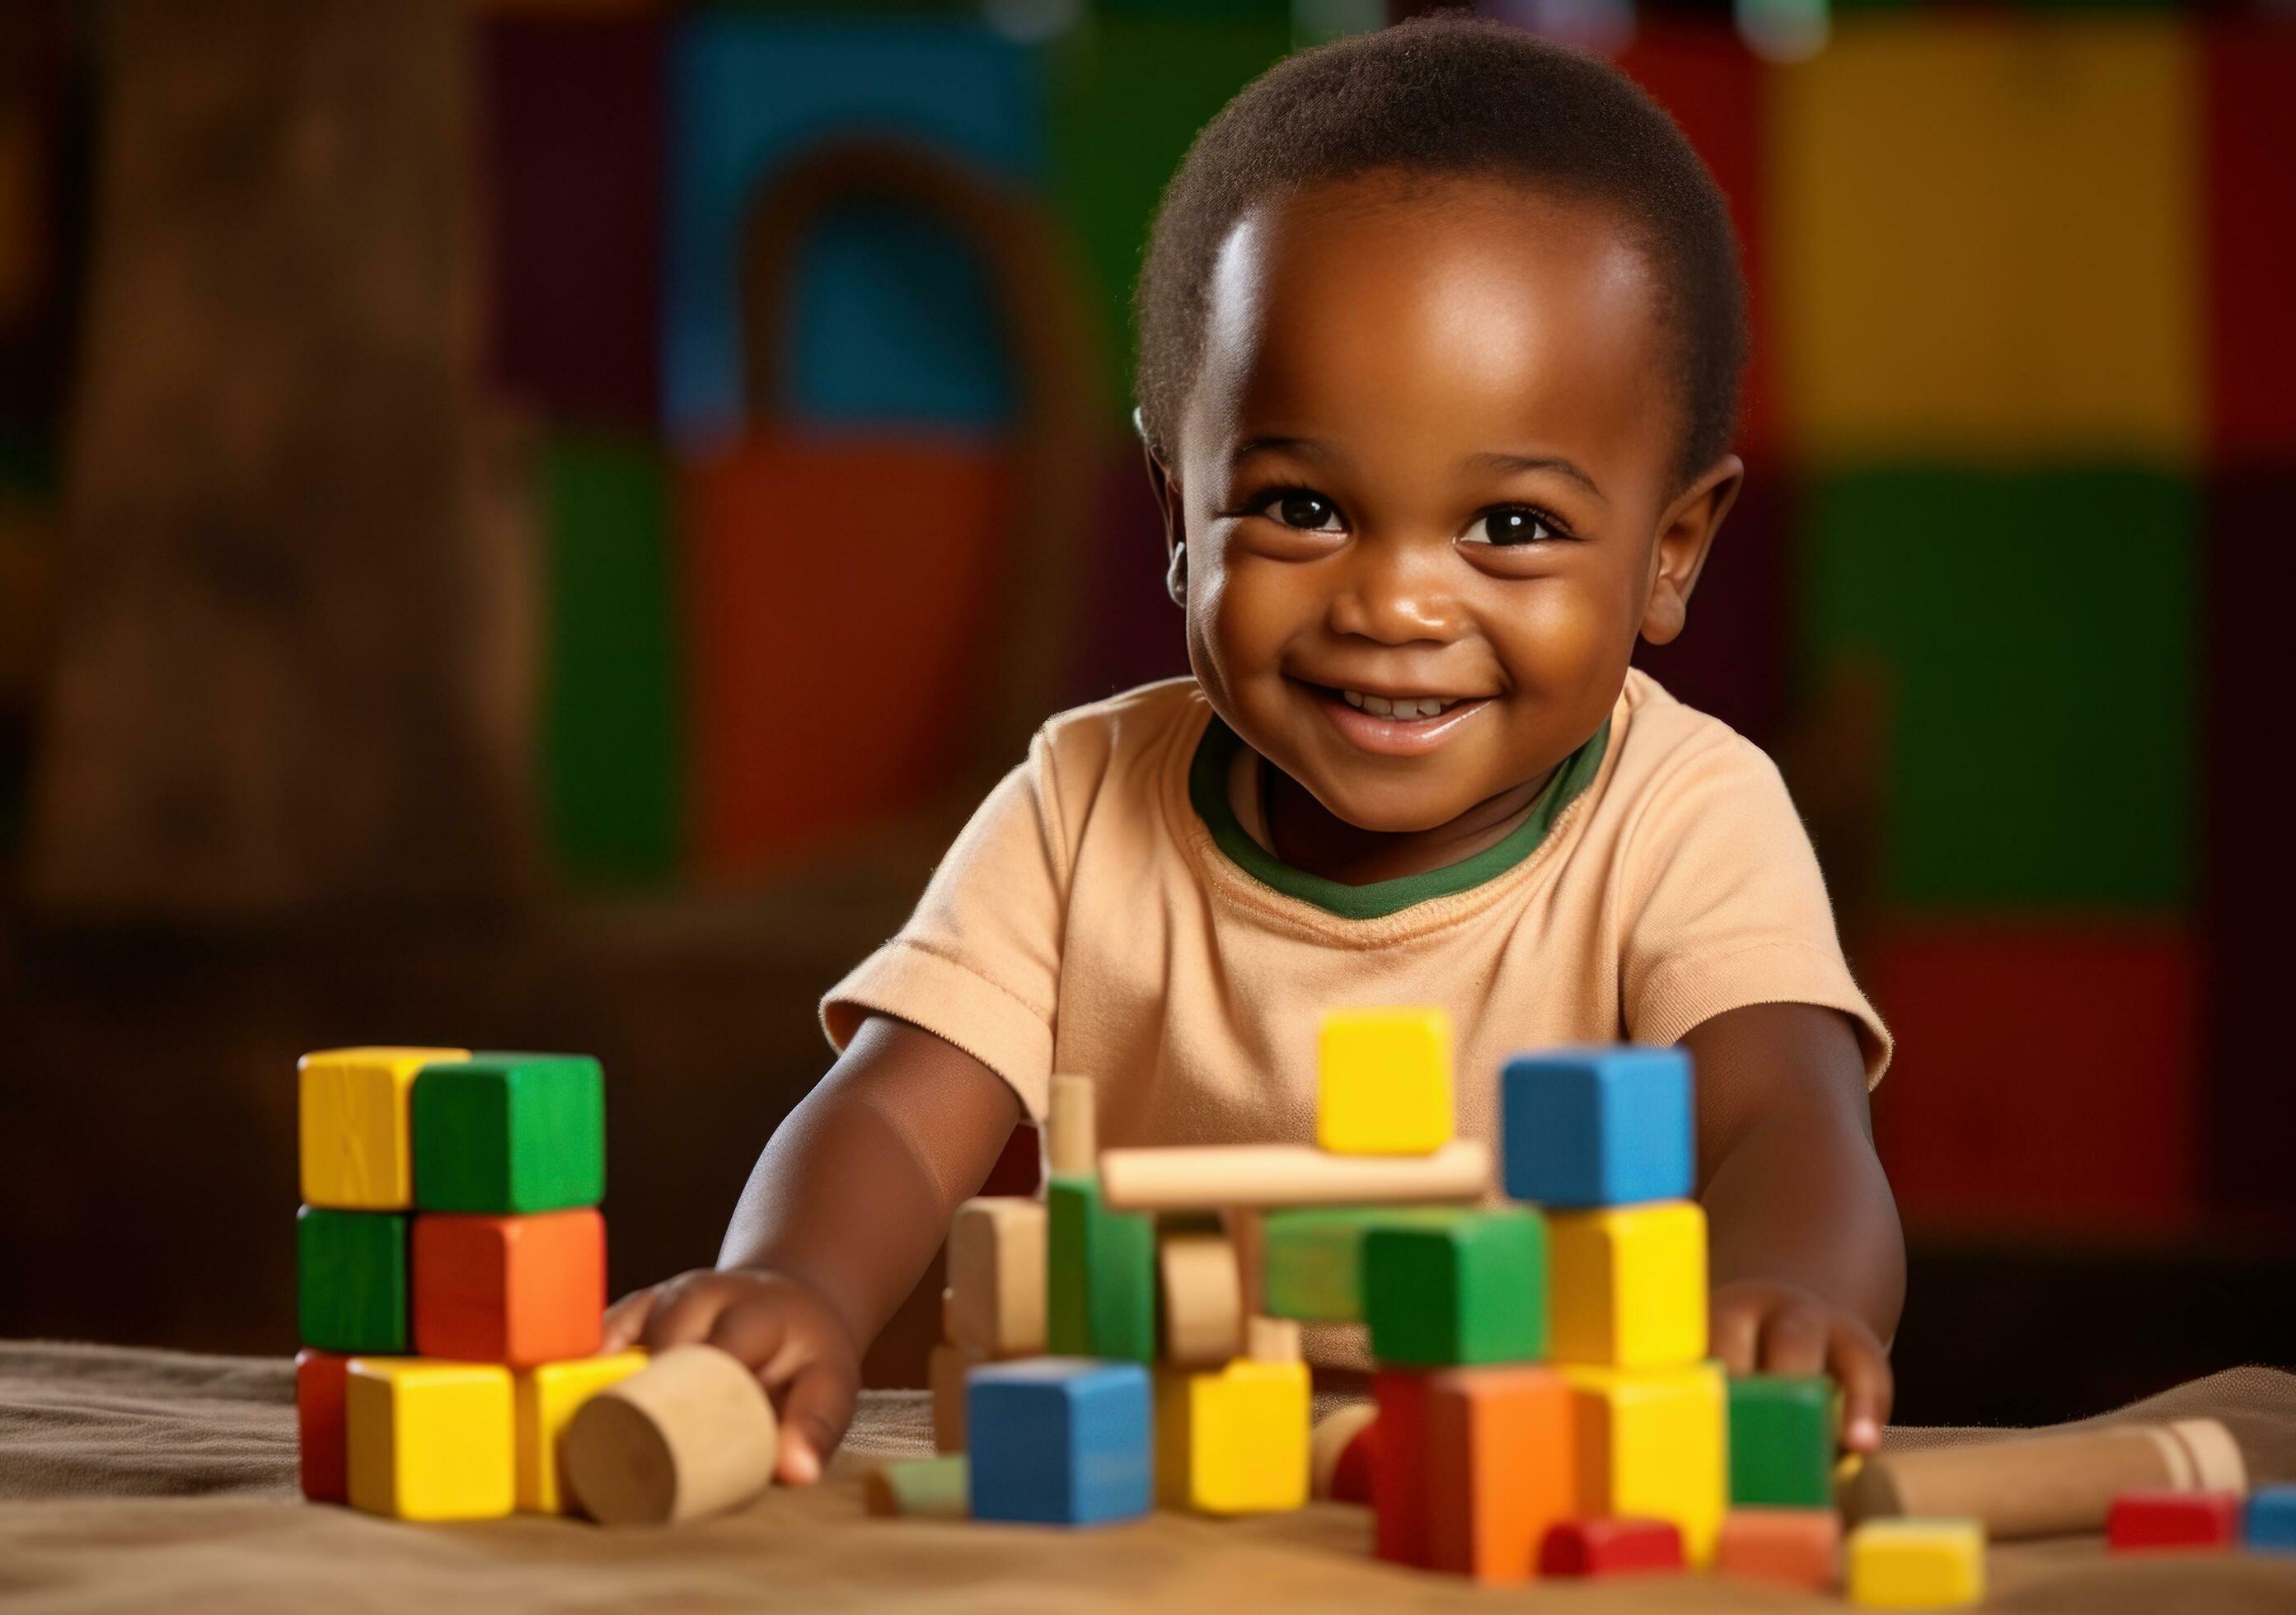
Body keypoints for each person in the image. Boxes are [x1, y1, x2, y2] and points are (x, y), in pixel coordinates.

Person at [604, 14, 1903, 1486]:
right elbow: (895, 1122)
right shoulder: (1078, 806)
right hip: (1155, 1517)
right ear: (1176, 517)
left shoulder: (1688, 816)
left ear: (1671, 552)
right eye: (1302, 507)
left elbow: (1789, 1125)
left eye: (1513, 529)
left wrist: (1785, 1297)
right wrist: (798, 1288)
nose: (1397, 604)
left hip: (1518, 1522)